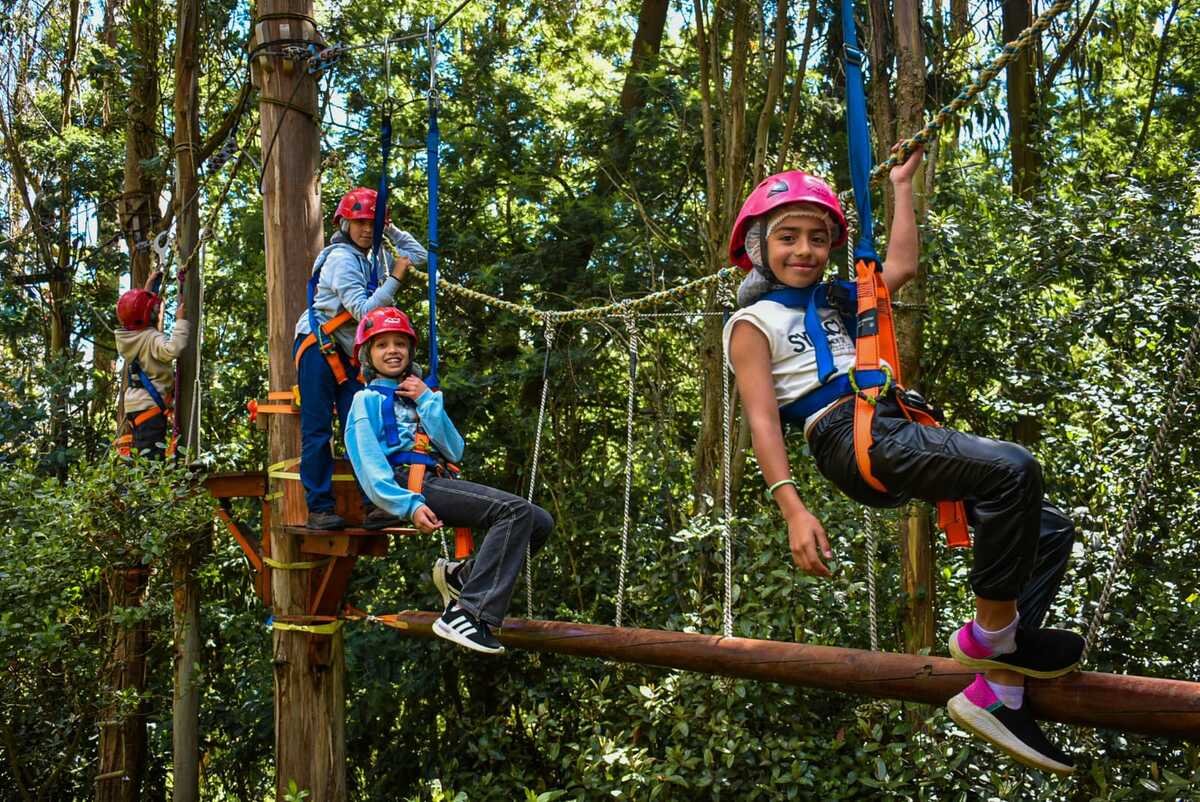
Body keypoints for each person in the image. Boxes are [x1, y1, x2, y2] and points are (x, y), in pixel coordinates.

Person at [724, 148, 1081, 776]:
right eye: (786, 238)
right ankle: (991, 639)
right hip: (842, 433)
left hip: (891, 421)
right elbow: (760, 422)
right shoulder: (754, 322)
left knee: (1047, 527)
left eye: (816, 237)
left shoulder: (843, 299)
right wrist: (793, 509)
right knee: (1012, 468)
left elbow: (904, 264)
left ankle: (999, 688)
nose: (803, 250)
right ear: (759, 246)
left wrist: (901, 187)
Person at [344, 307, 554, 654]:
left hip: (434, 479)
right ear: (368, 355)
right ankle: (468, 613)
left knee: (539, 521)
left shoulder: (423, 396)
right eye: (382, 345)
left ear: (411, 352)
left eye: (400, 343)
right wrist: (408, 506)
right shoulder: (364, 402)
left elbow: (454, 450)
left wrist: (427, 401)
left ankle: (465, 578)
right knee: (515, 512)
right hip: (407, 486)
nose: (393, 350)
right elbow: (369, 468)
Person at [293, 187, 427, 530]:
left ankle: (375, 504)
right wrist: (396, 278)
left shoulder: (377, 252)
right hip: (319, 345)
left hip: (350, 349)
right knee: (318, 429)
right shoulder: (340, 258)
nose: (367, 230)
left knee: (365, 424)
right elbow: (364, 310)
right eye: (361, 222)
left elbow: (420, 255)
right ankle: (320, 508)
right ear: (345, 223)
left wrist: (392, 229)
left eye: (373, 223)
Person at [116, 270, 189, 459]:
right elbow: (173, 349)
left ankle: (144, 483)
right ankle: (152, 484)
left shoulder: (127, 339)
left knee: (143, 453)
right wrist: (180, 321)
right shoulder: (151, 338)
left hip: (135, 405)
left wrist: (149, 289)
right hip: (150, 406)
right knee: (151, 459)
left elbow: (139, 310)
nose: (157, 312)